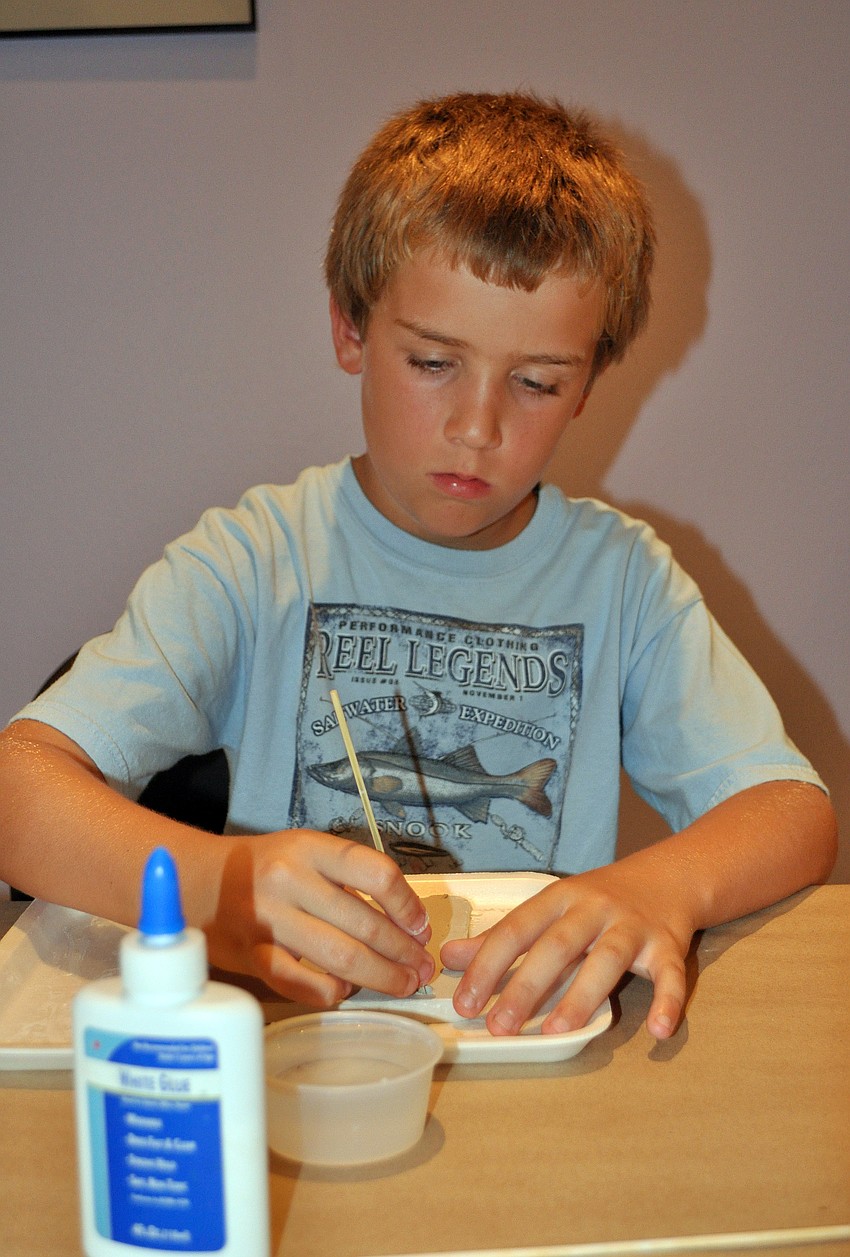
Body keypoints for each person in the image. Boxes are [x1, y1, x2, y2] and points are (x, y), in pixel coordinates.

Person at [0, 92, 836, 1040]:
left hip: (525, 1049)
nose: (478, 427)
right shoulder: (256, 558)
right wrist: (220, 889)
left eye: (536, 382)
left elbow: (791, 811)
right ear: (351, 330)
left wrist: (660, 884)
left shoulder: (624, 582)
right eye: (434, 361)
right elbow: (20, 783)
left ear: (587, 387)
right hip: (308, 1053)